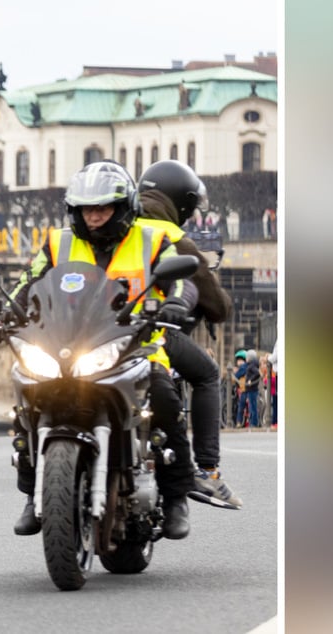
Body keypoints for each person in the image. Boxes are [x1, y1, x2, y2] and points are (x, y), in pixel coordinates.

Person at [8, 160, 196, 539]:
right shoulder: (58, 242)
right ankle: (32, 495)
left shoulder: (153, 240)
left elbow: (183, 280)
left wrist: (177, 302)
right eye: (85, 209)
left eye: (103, 208)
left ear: (123, 207)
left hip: (134, 344)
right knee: (25, 403)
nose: (93, 216)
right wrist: (7, 307)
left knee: (164, 396)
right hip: (64, 344)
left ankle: (177, 497)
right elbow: (28, 281)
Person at [136, 159, 243, 508]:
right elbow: (216, 304)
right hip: (146, 332)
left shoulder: (117, 223)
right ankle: (208, 470)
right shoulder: (174, 238)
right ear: (179, 202)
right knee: (208, 374)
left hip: (90, 332)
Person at [234, 348, 260, 427]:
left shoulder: (248, 366)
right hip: (249, 388)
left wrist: (250, 381)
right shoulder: (254, 364)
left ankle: (245, 422)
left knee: (245, 406)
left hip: (247, 389)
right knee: (251, 406)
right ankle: (250, 422)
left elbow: (236, 376)